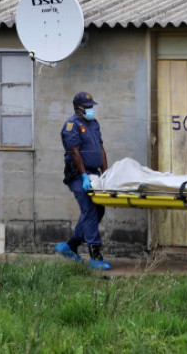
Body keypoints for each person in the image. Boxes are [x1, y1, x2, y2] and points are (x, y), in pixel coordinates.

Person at [55, 91, 112, 270]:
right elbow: (75, 153)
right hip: (79, 175)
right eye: (87, 107)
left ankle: (70, 246)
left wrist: (105, 174)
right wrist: (84, 176)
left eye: (91, 107)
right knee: (89, 210)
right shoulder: (71, 126)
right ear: (78, 108)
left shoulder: (93, 124)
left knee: (99, 210)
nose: (91, 110)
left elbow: (101, 150)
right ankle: (95, 255)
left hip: (94, 173)